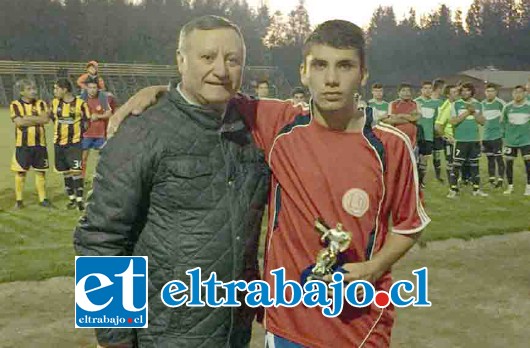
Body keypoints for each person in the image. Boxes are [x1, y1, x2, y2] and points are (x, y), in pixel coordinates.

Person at [112, 19, 430, 348]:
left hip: (360, 326)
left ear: (363, 74)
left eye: (345, 66)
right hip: (286, 323)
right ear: (303, 72)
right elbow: (206, 89)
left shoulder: (390, 146)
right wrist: (160, 92)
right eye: (320, 65)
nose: (331, 79)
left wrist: (375, 268)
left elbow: (409, 225)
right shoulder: (279, 124)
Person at [74, 15, 269, 348]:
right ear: (181, 61)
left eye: (232, 60)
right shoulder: (141, 132)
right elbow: (101, 237)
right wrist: (114, 336)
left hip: (235, 330)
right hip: (164, 333)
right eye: (207, 57)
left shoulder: (255, 129)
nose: (221, 70)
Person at [9, 79, 51, 209]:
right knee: (21, 172)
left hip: (40, 144)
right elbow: (19, 123)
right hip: (23, 146)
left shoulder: (41, 103)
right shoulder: (15, 105)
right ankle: (19, 201)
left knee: (41, 172)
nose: (33, 91)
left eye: (34, 88)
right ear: (22, 92)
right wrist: (36, 119)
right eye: (29, 89)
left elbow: (45, 119)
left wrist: (26, 118)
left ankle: (43, 199)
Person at [50, 79, 90, 211]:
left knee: (76, 171)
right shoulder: (54, 103)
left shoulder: (81, 104)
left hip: (74, 145)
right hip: (59, 144)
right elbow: (53, 119)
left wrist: (78, 134)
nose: (54, 91)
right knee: (65, 172)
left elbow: (86, 122)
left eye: (56, 88)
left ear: (64, 89)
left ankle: (79, 201)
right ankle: (72, 199)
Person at [447, 82, 488, 198]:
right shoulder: (456, 104)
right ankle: (453, 190)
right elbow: (453, 122)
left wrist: (474, 112)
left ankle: (476, 189)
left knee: (475, 165)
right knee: (456, 165)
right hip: (460, 140)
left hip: (474, 139)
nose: (465, 93)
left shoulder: (478, 105)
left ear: (472, 92)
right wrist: (467, 112)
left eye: (467, 90)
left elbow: (482, 122)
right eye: (463, 90)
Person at [80, 80, 116, 178]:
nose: (92, 90)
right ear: (87, 88)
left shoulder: (102, 100)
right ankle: (81, 176)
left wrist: (98, 116)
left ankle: (96, 176)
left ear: (98, 89)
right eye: (90, 88)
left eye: (94, 88)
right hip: (86, 134)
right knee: (83, 157)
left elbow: (109, 113)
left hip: (100, 134)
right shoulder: (82, 100)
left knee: (99, 157)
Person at [502, 85, 530, 196]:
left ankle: (528, 187)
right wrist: (504, 136)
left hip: (526, 140)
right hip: (510, 140)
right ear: (512, 94)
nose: (517, 95)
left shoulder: (528, 106)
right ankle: (510, 186)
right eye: (515, 92)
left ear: (525, 94)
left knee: (528, 164)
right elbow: (503, 122)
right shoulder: (507, 107)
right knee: (508, 164)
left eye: (520, 92)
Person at [415, 81, 439, 187]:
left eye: (430, 88)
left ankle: (421, 181)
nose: (427, 90)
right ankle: (414, 181)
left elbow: (436, 121)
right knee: (415, 160)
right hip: (416, 136)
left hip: (429, 136)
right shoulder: (415, 102)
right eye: (425, 88)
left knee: (424, 161)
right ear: (421, 90)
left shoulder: (435, 104)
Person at [481, 83, 506, 188]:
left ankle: (500, 180)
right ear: (485, 92)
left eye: (492, 91)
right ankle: (491, 179)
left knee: (499, 158)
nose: (489, 93)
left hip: (497, 136)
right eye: (488, 91)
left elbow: (506, 118)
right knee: (490, 158)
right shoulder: (482, 104)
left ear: (496, 92)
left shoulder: (501, 103)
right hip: (486, 136)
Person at [381, 83, 421, 148]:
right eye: (403, 90)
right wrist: (409, 118)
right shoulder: (393, 104)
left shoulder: (416, 104)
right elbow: (392, 120)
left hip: (412, 137)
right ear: (398, 93)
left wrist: (401, 115)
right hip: (397, 135)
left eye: (408, 91)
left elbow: (416, 118)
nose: (406, 93)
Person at [435, 85, 459, 185]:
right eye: (454, 92)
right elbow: (437, 126)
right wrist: (446, 137)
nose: (456, 94)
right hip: (451, 139)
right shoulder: (446, 106)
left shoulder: (458, 105)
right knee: (451, 162)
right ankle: (452, 184)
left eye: (457, 91)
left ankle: (461, 181)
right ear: (448, 95)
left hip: (460, 138)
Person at [431, 79, 446, 182]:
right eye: (443, 88)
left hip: (437, 133)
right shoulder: (424, 101)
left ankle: (438, 176)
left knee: (437, 154)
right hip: (427, 133)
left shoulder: (442, 103)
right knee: (423, 156)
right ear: (439, 88)